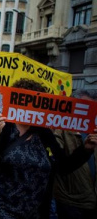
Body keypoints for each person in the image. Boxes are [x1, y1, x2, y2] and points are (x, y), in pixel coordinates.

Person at [0, 78, 97, 218]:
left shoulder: (44, 134)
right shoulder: (3, 126)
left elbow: (63, 167)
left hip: (32, 212)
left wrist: (86, 150)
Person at [53, 89, 97, 218]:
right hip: (71, 202)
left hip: (93, 200)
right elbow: (60, 165)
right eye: (86, 107)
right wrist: (85, 150)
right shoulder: (61, 128)